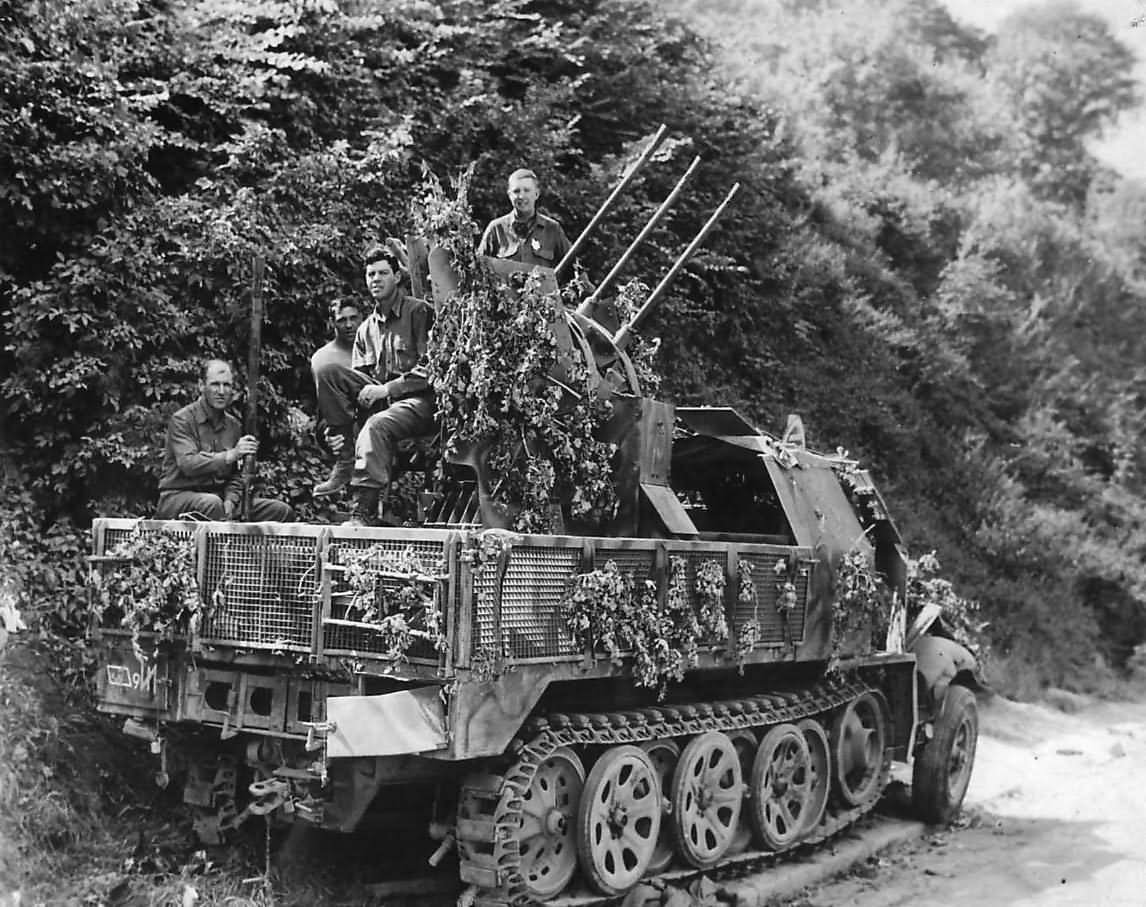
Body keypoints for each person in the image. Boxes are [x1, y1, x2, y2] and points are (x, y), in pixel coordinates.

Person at [345, 245, 436, 526]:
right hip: (385, 408)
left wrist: (387, 390)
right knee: (335, 389)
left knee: (376, 426)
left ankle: (363, 510)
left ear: (397, 277)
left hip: (422, 405)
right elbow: (359, 380)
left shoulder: (419, 313)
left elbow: (432, 368)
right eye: (371, 274)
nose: (376, 279)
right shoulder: (365, 329)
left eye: (383, 273)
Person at [155, 359, 294, 522]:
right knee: (212, 504)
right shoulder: (182, 420)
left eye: (226, 385)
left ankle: (253, 548)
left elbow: (237, 475)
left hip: (219, 500)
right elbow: (188, 464)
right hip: (179, 498)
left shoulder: (233, 426)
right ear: (201, 385)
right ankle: (221, 547)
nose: (221, 391)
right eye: (215, 384)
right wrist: (230, 455)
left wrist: (231, 499)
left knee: (280, 511)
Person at [310, 299, 369, 497]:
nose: (349, 325)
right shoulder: (324, 358)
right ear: (332, 323)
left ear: (364, 318)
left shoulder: (375, 348)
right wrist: (328, 435)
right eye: (342, 320)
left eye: (354, 318)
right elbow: (322, 413)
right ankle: (346, 464)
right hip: (347, 432)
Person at [477, 168, 572, 269]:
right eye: (516, 191)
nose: (521, 196)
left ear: (536, 194)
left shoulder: (552, 229)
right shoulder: (496, 229)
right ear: (509, 195)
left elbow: (574, 268)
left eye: (527, 190)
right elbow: (478, 269)